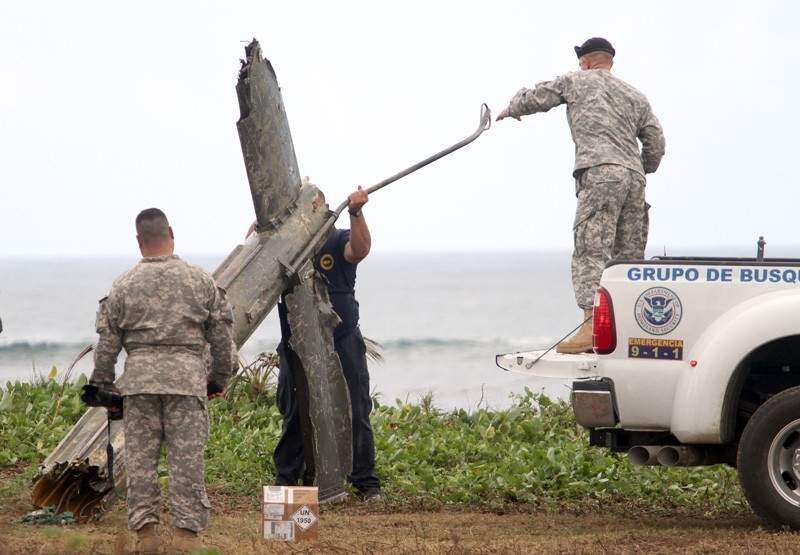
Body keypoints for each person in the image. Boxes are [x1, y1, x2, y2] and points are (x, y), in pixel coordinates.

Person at [497, 37, 666, 353]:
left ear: (586, 62)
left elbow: (539, 96)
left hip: (600, 173)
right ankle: (628, 330)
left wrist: (511, 108)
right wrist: (640, 167)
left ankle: (591, 327)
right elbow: (656, 143)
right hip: (634, 178)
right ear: (610, 61)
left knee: (591, 248)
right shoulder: (636, 96)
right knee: (628, 258)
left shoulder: (576, 81)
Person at [89, 208, 235, 554]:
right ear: (171, 233)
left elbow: (107, 346)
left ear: (139, 240)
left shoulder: (123, 285)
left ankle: (147, 536)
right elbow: (222, 340)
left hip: (139, 385)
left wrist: (103, 388)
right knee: (187, 462)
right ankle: (186, 538)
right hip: (186, 383)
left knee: (141, 462)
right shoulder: (201, 281)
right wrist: (217, 380)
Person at [249, 186, 381, 500]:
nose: (308, 211)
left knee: (355, 409)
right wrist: (260, 236)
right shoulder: (286, 246)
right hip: (296, 342)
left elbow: (359, 250)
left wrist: (356, 212)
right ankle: (287, 479)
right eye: (302, 206)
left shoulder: (337, 238)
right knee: (295, 412)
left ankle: (365, 483)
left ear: (323, 207)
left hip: (341, 341)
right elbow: (255, 272)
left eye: (313, 204)